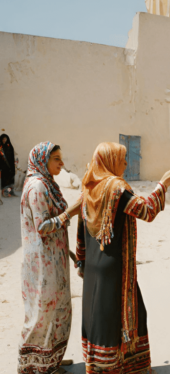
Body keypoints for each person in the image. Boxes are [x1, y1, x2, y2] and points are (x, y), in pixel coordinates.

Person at [76, 142, 170, 374]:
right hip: (115, 266)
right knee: (123, 316)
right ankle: (122, 367)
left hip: (94, 266)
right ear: (111, 160)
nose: (125, 162)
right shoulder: (115, 188)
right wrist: (163, 184)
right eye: (122, 158)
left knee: (99, 315)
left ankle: (100, 365)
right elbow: (146, 211)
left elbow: (81, 228)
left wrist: (81, 261)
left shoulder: (89, 186)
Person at [18, 142, 81, 374]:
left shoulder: (48, 184)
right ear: (43, 161)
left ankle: (50, 359)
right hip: (41, 266)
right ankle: (33, 365)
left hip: (54, 260)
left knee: (58, 310)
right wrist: (71, 212)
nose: (61, 163)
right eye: (56, 158)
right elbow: (43, 227)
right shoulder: (37, 187)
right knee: (42, 313)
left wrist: (72, 255)